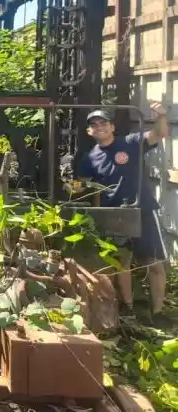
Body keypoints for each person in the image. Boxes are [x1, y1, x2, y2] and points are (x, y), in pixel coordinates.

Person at [75, 104, 169, 325]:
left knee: (154, 262)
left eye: (103, 123)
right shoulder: (89, 159)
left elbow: (159, 134)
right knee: (121, 263)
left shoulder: (131, 143)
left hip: (142, 209)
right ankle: (127, 307)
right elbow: (81, 185)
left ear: (112, 127)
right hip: (114, 214)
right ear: (90, 131)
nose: (99, 127)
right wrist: (74, 187)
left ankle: (158, 312)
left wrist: (161, 116)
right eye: (94, 125)